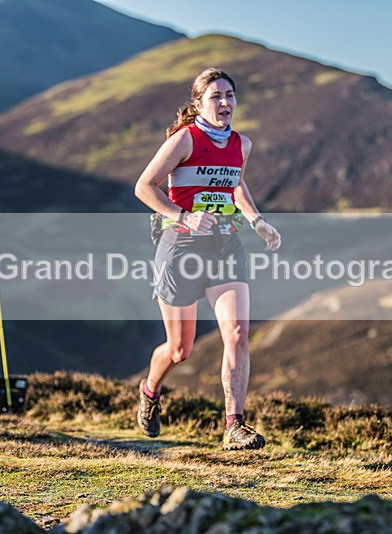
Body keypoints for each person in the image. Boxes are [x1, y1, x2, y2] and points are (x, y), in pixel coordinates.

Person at [134, 68, 281, 450]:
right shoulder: (184, 140)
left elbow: (235, 183)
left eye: (230, 95)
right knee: (180, 350)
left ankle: (235, 425)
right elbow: (143, 187)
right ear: (198, 103)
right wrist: (183, 216)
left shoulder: (241, 144)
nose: (225, 103)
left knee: (237, 334)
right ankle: (150, 393)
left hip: (225, 246)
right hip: (180, 248)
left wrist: (257, 221)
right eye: (215, 96)